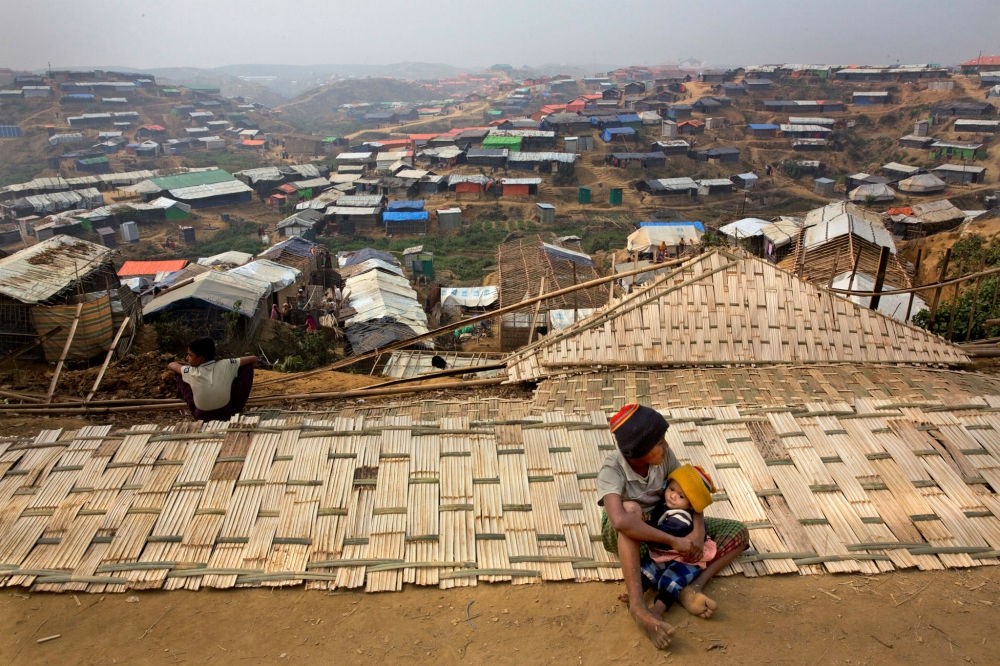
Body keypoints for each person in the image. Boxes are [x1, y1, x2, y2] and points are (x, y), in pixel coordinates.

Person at [598, 404, 749, 650]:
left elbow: (690, 492)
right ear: (638, 450)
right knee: (632, 511)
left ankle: (691, 587)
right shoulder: (612, 469)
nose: (665, 446)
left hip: (667, 526)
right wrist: (675, 542)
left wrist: (698, 533)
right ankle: (637, 606)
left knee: (738, 533)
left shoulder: (664, 457)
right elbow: (620, 521)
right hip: (629, 535)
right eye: (659, 442)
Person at [641, 465, 719, 613]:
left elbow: (662, 536)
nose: (673, 496)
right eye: (671, 489)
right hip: (668, 553)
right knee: (647, 569)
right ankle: (637, 594)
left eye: (681, 496)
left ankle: (658, 609)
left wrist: (644, 526)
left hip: (686, 558)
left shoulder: (682, 519)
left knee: (670, 581)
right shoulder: (666, 506)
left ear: (692, 505)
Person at [167, 337, 257, 422]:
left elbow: (171, 365)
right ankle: (238, 406)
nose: (187, 358)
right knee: (247, 367)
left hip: (201, 417)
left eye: (190, 355)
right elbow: (253, 358)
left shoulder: (191, 371)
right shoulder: (226, 364)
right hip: (227, 413)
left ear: (201, 359)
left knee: (179, 374)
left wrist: (173, 362)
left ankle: (182, 400)